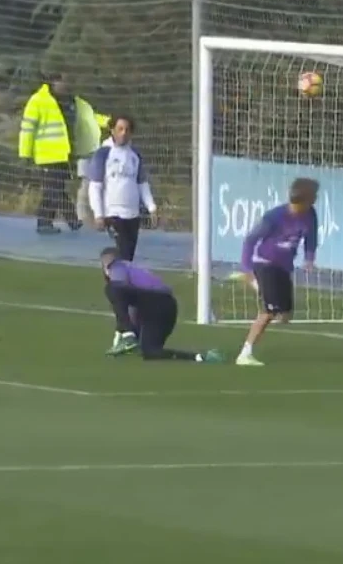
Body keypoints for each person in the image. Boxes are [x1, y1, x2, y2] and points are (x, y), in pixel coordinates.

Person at [236, 178, 320, 366]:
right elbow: (250, 240)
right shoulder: (274, 217)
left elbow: (312, 237)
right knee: (269, 312)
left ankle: (262, 289)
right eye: (314, 197)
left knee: (285, 315)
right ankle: (245, 353)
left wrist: (309, 258)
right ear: (306, 199)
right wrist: (246, 267)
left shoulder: (310, 214)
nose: (316, 200)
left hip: (283, 267)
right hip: (265, 263)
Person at [17, 72, 109, 234]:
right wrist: (25, 155)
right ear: (53, 81)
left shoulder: (75, 102)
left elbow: (90, 118)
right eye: (63, 81)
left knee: (54, 188)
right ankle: (68, 221)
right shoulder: (39, 101)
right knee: (55, 189)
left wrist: (111, 122)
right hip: (46, 155)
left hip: (65, 154)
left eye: (70, 81)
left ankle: (49, 223)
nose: (67, 85)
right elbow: (27, 129)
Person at [101, 247, 222, 362]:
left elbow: (119, 290)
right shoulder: (132, 269)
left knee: (111, 289)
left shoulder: (116, 266)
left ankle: (129, 336)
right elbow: (127, 305)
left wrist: (126, 332)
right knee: (150, 351)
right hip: (166, 307)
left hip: (156, 301)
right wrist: (119, 336)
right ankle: (199, 357)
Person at [89, 115, 157, 260]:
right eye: (120, 129)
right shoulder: (103, 153)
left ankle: (118, 280)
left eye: (127, 130)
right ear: (112, 130)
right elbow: (95, 186)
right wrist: (98, 214)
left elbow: (142, 183)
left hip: (132, 214)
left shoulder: (135, 155)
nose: (123, 133)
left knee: (128, 257)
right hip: (113, 214)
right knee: (122, 255)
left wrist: (152, 207)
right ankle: (117, 281)